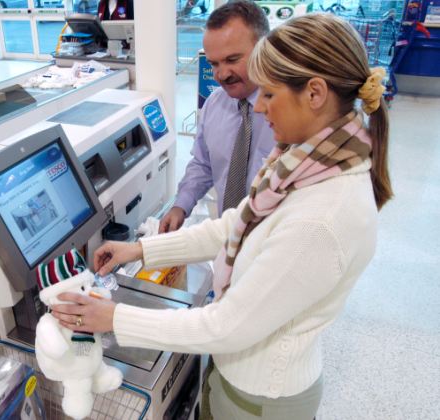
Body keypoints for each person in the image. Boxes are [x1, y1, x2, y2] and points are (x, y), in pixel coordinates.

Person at [50, 13, 393, 420]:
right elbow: (237, 222)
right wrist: (139, 250)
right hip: (235, 372)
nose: (260, 105)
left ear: (315, 93)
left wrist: (113, 317)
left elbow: (226, 326)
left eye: (270, 93)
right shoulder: (308, 161)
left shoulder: (321, 217)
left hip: (260, 398)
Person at [159, 1, 276, 233]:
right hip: (227, 238)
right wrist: (181, 205)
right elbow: (203, 164)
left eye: (232, 60)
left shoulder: (289, 114)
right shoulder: (214, 104)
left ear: (265, 49)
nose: (222, 74)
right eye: (214, 63)